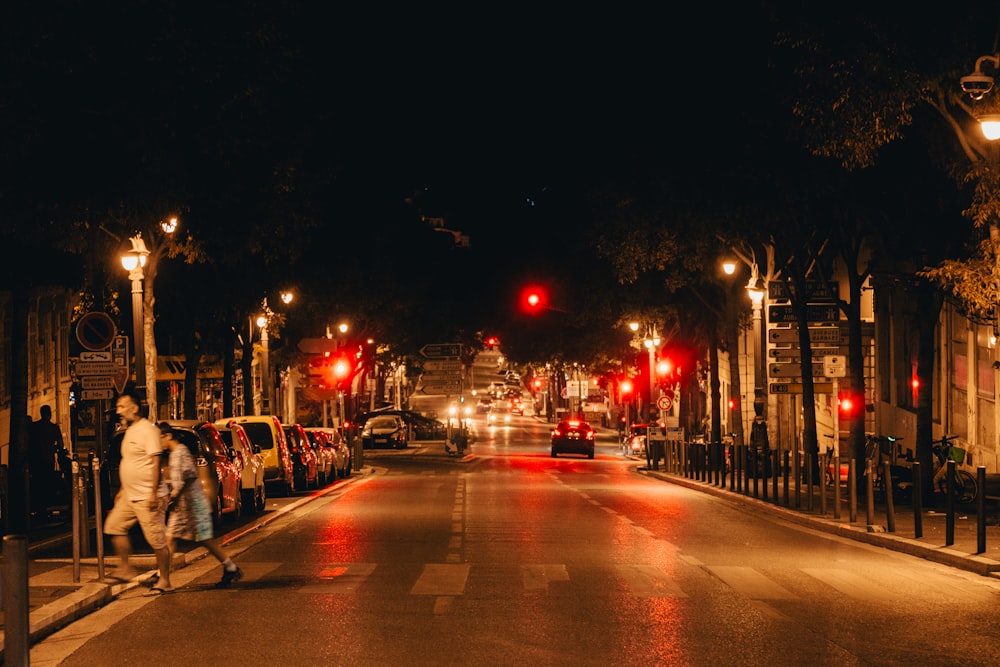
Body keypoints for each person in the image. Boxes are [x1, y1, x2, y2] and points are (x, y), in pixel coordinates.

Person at [103, 391, 173, 594]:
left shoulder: (147, 431)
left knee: (156, 540)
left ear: (134, 408)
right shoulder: (130, 431)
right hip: (130, 496)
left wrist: (153, 493)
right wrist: (123, 490)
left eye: (122, 407)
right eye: (118, 407)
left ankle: (165, 580)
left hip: (147, 495)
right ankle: (125, 568)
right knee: (114, 526)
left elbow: (155, 460)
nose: (119, 411)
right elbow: (132, 462)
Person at [158, 422, 243, 587]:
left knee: (203, 539)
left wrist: (175, 494)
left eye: (160, 438)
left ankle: (231, 567)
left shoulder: (181, 452)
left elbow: (189, 476)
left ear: (168, 436)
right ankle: (162, 576)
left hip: (192, 505)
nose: (159, 443)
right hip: (183, 506)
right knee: (171, 539)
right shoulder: (175, 453)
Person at [28, 405, 68, 516]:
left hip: (36, 461)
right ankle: (45, 507)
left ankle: (38, 507)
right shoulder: (54, 428)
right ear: (49, 414)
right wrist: (56, 449)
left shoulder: (34, 427)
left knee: (37, 483)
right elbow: (60, 445)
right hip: (48, 461)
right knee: (47, 483)